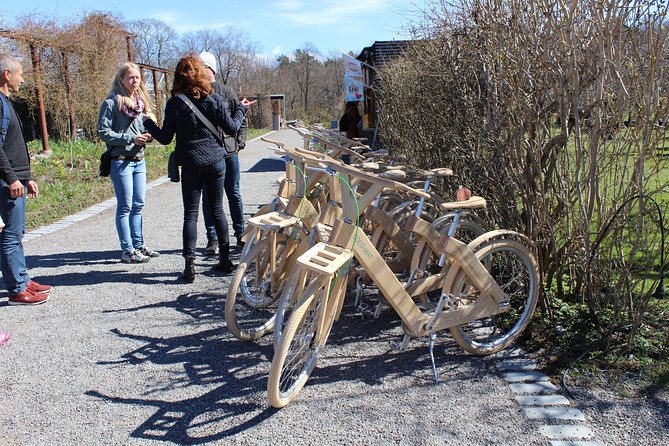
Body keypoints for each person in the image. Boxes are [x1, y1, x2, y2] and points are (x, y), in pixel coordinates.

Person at [143, 54, 252, 282]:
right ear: (202, 74)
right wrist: (241, 110)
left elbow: (164, 138)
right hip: (216, 162)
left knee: (190, 214)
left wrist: (147, 122)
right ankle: (224, 259)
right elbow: (231, 128)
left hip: (191, 163)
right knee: (217, 210)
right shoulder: (213, 100)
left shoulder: (174, 105)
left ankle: (189, 266)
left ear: (178, 78)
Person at [0, 54, 52, 305]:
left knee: (17, 233)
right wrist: (12, 179)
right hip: (6, 183)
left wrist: (26, 176)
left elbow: (12, 146)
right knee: (10, 236)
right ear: (6, 75)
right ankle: (16, 290)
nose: (22, 78)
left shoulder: (7, 102)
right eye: (19, 73)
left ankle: (22, 278)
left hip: (16, 180)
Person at [98, 62, 160, 264]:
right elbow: (103, 132)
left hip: (139, 159)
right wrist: (129, 139)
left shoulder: (140, 104)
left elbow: (140, 129)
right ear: (121, 79)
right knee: (125, 206)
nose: (135, 81)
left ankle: (139, 244)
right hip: (121, 161)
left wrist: (146, 136)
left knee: (138, 204)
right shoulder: (112, 103)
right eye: (131, 77)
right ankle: (127, 250)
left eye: (137, 77)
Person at [199, 51, 247, 254]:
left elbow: (241, 119)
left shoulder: (227, 92)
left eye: (202, 67)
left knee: (233, 194)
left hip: (228, 153)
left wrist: (240, 143)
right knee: (209, 198)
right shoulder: (196, 93)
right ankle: (212, 239)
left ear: (210, 69)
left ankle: (240, 234)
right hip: (208, 154)